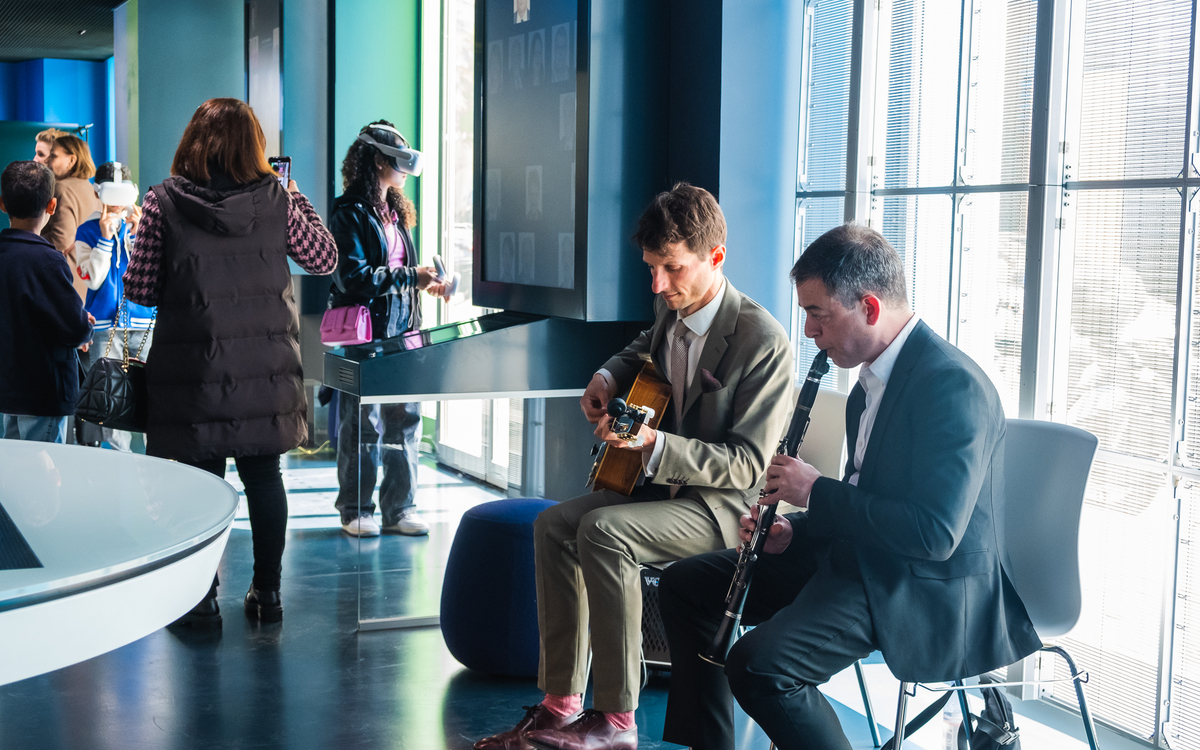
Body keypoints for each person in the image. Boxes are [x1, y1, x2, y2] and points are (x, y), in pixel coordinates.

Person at [657, 224, 1042, 750]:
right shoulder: (870, 382)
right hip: (864, 558)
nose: (810, 332)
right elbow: (870, 502)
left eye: (818, 314)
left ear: (869, 307)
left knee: (761, 666)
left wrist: (814, 491)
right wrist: (794, 533)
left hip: (922, 585)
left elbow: (932, 534)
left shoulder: (953, 387)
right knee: (684, 584)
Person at [475, 183, 795, 750]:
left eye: (671, 268)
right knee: (553, 525)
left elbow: (749, 466)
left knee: (604, 532)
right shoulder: (672, 306)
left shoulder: (763, 341)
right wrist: (605, 376)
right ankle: (561, 702)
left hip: (723, 510)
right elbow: (647, 348)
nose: (658, 284)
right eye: (651, 269)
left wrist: (653, 446)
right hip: (661, 492)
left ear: (715, 257)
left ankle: (617, 720)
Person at [123, 97, 337, 627]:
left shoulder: (161, 203)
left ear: (192, 143)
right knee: (265, 479)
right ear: (255, 148)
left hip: (191, 373)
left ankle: (201, 600)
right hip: (265, 370)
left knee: (199, 485)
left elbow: (141, 289)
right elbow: (324, 257)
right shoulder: (277, 199)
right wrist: (294, 195)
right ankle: (267, 595)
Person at [329, 120, 449, 538]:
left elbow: (399, 271)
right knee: (363, 422)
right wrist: (409, 278)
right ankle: (355, 509)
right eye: (398, 160)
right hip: (366, 333)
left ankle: (399, 508)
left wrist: (426, 283)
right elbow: (355, 278)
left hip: (403, 330)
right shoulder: (348, 213)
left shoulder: (395, 213)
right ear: (377, 161)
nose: (403, 169)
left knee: (404, 420)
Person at [0, 161, 94, 442]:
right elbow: (73, 328)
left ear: (2, 204)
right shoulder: (49, 261)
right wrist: (84, 324)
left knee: (14, 472)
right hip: (43, 391)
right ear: (52, 207)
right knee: (46, 475)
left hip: (7, 390)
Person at [75, 161, 153, 451]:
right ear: (99, 193)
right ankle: (121, 463)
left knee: (151, 395)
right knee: (111, 400)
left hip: (143, 323)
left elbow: (150, 271)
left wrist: (140, 234)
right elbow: (93, 280)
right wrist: (106, 239)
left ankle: (155, 460)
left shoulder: (143, 228)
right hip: (106, 326)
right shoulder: (87, 232)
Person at [40, 133, 99, 301]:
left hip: (66, 284)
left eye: (54, 156)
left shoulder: (61, 189)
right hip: (89, 286)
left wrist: (32, 239)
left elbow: (62, 240)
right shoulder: (94, 192)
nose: (48, 161)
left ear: (72, 160)